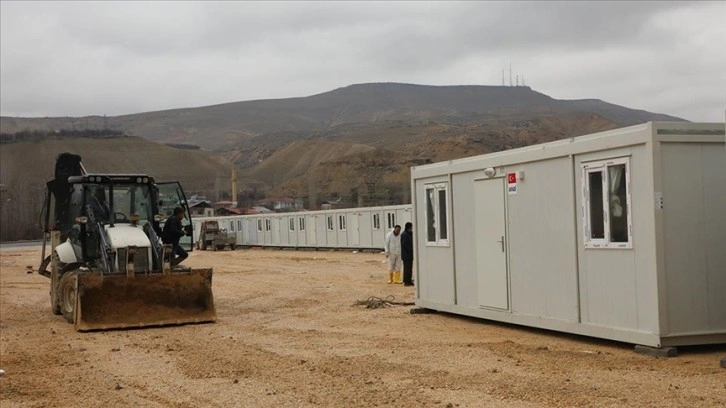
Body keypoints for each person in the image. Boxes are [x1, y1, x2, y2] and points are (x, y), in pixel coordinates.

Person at [401, 222, 414, 286]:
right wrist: (411, 249)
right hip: (406, 255)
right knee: (407, 269)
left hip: (409, 255)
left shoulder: (409, 234)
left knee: (409, 268)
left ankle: (409, 280)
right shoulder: (404, 235)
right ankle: (406, 281)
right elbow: (404, 245)